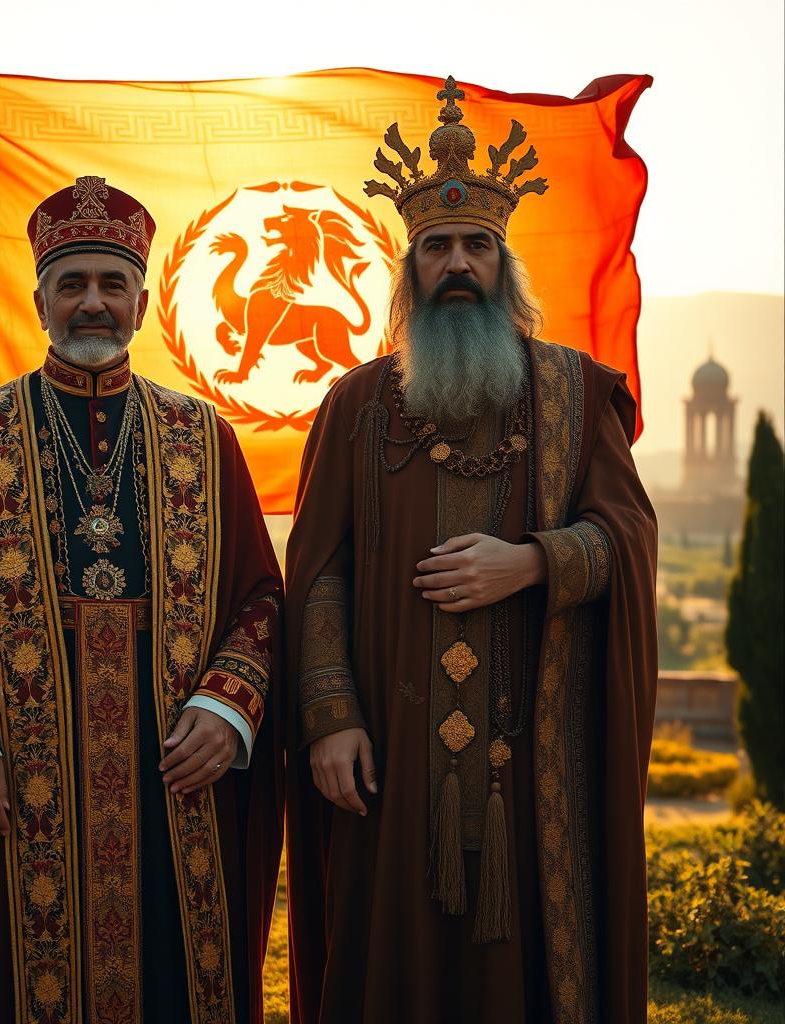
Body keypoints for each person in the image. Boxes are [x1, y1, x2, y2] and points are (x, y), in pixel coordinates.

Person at [285, 78, 658, 1023]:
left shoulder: (574, 394)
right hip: (389, 751)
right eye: (438, 247)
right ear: (410, 267)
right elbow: (318, 570)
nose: (458, 262)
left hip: (536, 756)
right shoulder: (356, 402)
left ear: (505, 263)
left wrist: (533, 562)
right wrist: (330, 716)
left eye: (477, 246)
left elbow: (628, 536)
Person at [0, 176, 283, 1024]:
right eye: (73, 284)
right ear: (40, 301)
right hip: (16, 786)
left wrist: (228, 709)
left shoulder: (204, 436)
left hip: (177, 782)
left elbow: (259, 597)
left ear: (142, 304)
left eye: (112, 284)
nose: (92, 303)